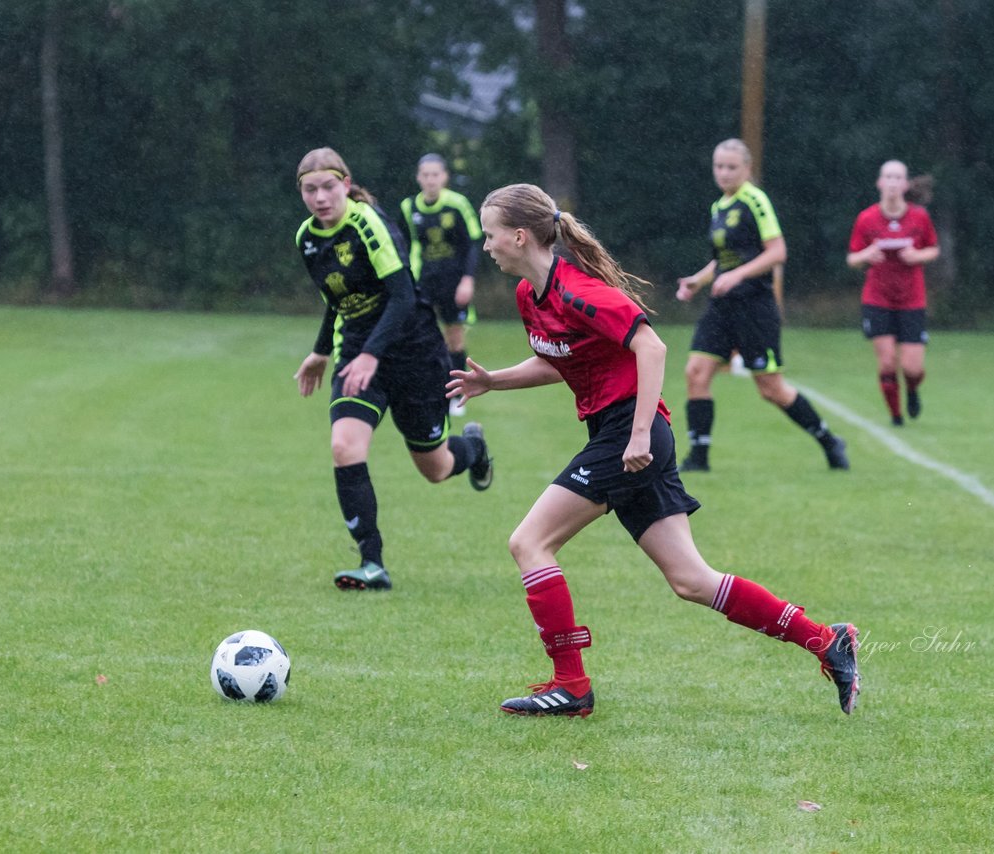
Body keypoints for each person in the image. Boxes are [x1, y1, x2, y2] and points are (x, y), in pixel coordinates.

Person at [447, 183, 860, 717]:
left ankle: (571, 685)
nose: (486, 246)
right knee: (692, 580)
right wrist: (494, 381)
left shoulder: (577, 290)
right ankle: (828, 642)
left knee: (529, 543)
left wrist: (639, 433)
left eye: (490, 235)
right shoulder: (532, 295)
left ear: (519, 235)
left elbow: (651, 345)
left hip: (629, 437)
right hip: (620, 436)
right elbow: (560, 360)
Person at [291, 147, 493, 592]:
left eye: (328, 186)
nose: (320, 197)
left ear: (345, 184)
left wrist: (372, 355)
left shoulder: (369, 223)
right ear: (302, 193)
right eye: (310, 189)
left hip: (416, 352)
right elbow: (336, 300)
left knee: (436, 468)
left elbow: (402, 298)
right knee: (345, 445)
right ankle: (372, 563)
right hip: (360, 352)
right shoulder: (308, 238)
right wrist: (322, 351)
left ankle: (474, 450)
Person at [676, 139, 849, 472]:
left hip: (754, 307)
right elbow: (723, 263)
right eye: (719, 166)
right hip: (722, 307)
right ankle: (698, 458)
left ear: (747, 169)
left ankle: (829, 440)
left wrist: (738, 276)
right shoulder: (719, 207)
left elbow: (777, 252)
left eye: (731, 167)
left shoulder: (755, 201)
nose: (724, 173)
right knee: (695, 373)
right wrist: (700, 280)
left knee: (770, 389)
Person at [846, 159, 940, 426]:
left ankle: (911, 388)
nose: (893, 183)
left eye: (898, 178)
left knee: (912, 368)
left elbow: (933, 249)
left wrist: (916, 255)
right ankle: (896, 415)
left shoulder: (919, 217)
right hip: (877, 298)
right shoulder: (866, 218)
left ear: (906, 184)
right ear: (879, 183)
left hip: (912, 299)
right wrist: (867, 255)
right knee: (887, 363)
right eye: (888, 177)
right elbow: (852, 259)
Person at [400, 153, 484, 418]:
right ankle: (426, 390)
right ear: (418, 178)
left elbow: (472, 242)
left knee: (454, 338)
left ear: (444, 177)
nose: (430, 180)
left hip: (453, 282)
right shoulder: (408, 207)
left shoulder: (457, 205)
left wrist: (467, 280)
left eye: (435, 174)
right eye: (425, 175)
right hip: (423, 282)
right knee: (419, 336)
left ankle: (457, 393)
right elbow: (405, 246)